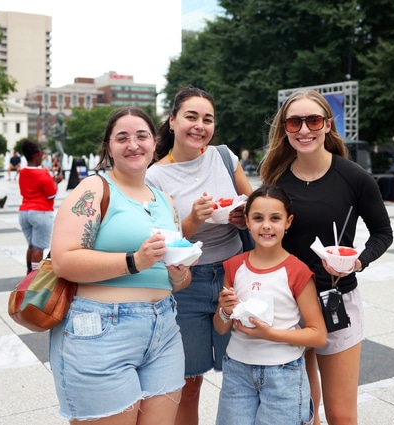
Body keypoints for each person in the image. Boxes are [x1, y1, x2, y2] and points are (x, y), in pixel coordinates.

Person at [260, 89, 393, 425]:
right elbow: (268, 236)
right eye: (295, 121)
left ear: (328, 125)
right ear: (285, 129)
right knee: (301, 411)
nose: (304, 129)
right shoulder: (275, 179)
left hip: (337, 300)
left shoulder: (354, 176)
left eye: (313, 120)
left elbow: (383, 233)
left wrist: (358, 261)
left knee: (340, 414)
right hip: (288, 303)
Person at [49, 107, 190, 424]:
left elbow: (177, 277)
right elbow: (64, 260)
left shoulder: (164, 200)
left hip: (164, 331)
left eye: (141, 136)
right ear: (108, 147)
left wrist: (178, 274)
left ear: (155, 142)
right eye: (122, 137)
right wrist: (134, 261)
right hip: (101, 331)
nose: (133, 144)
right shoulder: (94, 189)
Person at [146, 86, 253, 425]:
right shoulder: (155, 175)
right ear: (172, 121)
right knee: (188, 382)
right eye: (191, 117)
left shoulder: (224, 156)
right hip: (187, 284)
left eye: (207, 119)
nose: (199, 126)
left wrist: (242, 216)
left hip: (235, 276)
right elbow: (164, 243)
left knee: (243, 374)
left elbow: (258, 208)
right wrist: (192, 219)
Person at [213, 185, 326, 425]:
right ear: (247, 221)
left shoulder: (297, 271)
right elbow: (222, 328)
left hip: (283, 374)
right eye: (257, 218)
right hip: (237, 372)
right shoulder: (233, 266)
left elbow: (318, 335)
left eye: (275, 218)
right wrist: (225, 310)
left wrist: (269, 333)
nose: (266, 225)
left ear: (288, 222)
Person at [18, 140, 64, 274]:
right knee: (38, 248)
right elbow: (51, 195)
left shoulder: (22, 172)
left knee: (31, 246)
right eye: (41, 154)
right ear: (35, 155)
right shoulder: (43, 173)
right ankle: (34, 276)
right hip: (41, 212)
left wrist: (52, 180)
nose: (42, 156)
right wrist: (56, 182)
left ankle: (28, 273)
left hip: (24, 212)